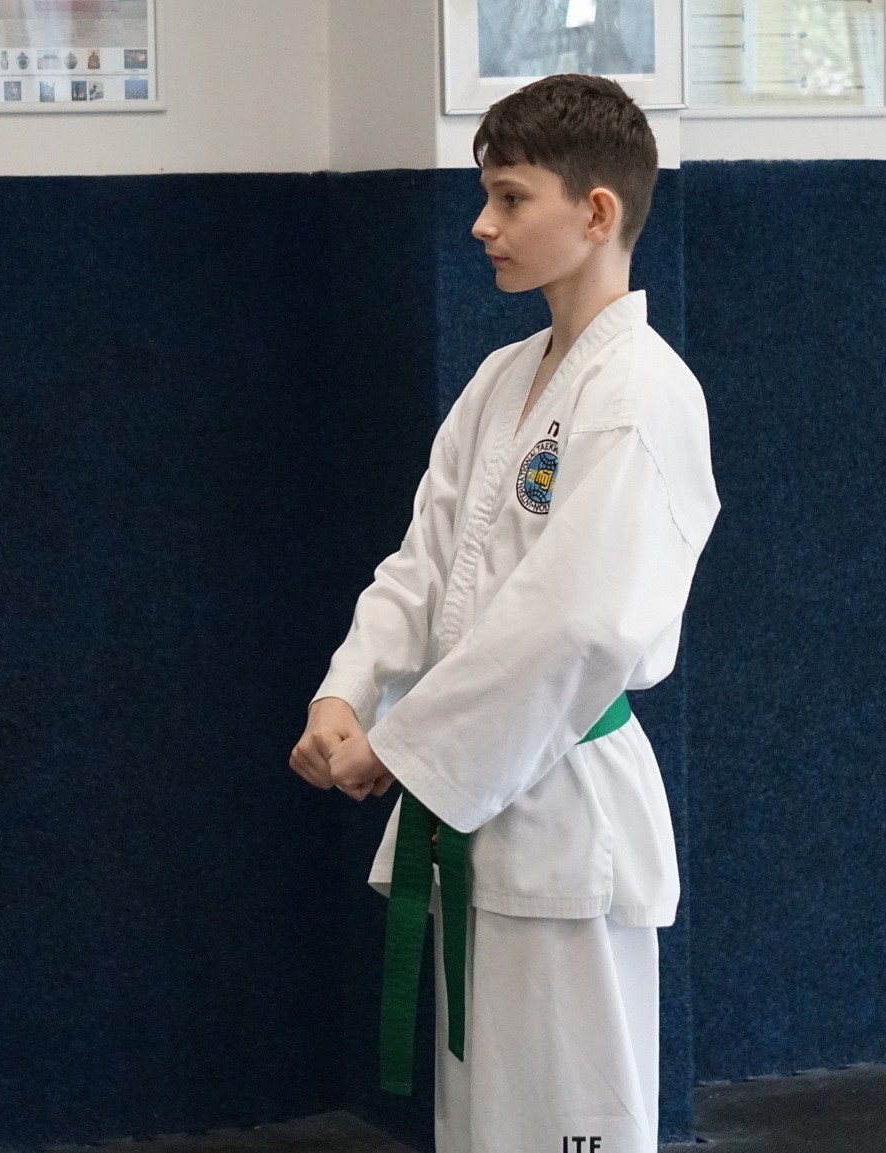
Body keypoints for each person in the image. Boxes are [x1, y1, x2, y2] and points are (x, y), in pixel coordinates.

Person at [288, 74, 717, 1153]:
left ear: (597, 212)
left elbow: (580, 624)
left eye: (510, 198)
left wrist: (403, 746)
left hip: (567, 814)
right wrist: (348, 693)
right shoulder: (500, 379)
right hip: (477, 806)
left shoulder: (643, 394)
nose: (481, 224)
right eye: (487, 196)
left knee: (570, 1128)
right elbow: (424, 565)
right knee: (485, 1128)